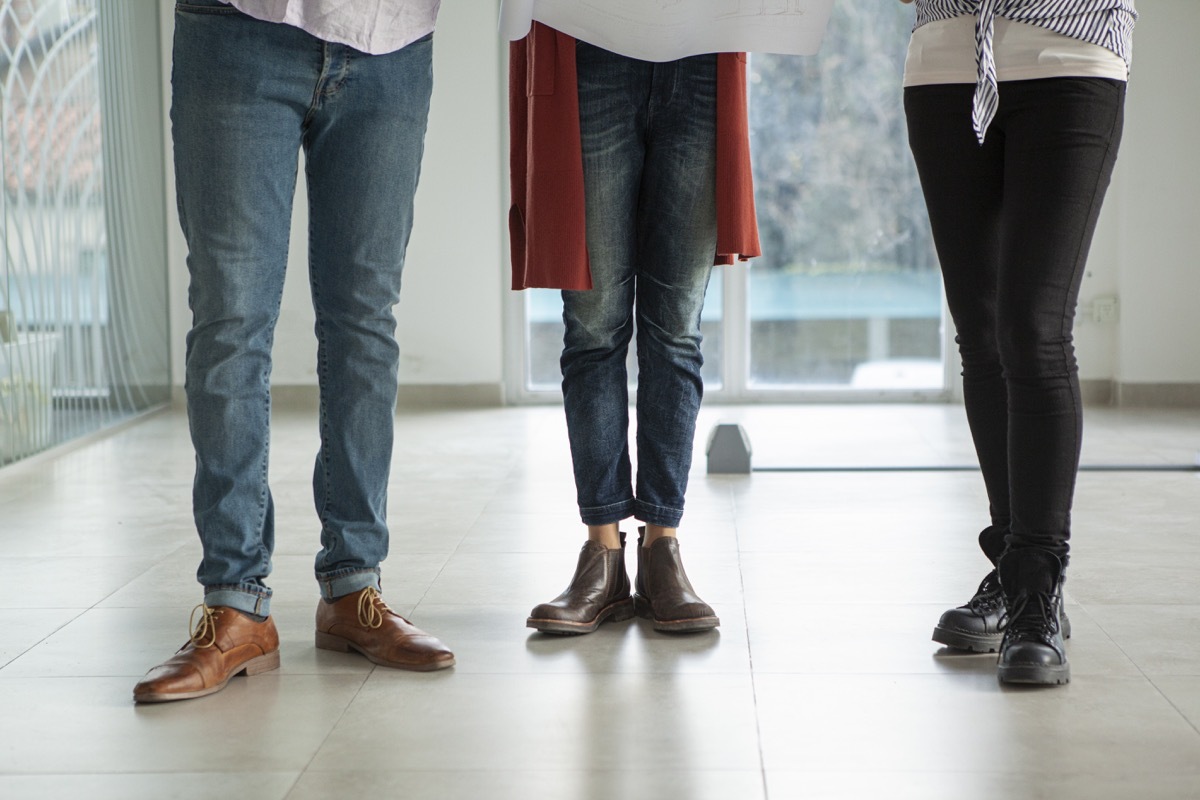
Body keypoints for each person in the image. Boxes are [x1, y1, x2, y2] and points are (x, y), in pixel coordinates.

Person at [134, 0, 454, 704]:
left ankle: (353, 590)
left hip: (391, 40)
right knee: (231, 318)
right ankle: (236, 604)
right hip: (238, 28)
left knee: (365, 321)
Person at [900, 0, 1135, 684]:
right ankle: (1011, 570)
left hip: (1073, 49)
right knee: (981, 332)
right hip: (945, 57)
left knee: (1031, 326)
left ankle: (1038, 594)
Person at [508, 24, 760, 635]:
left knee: (675, 330)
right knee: (594, 326)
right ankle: (604, 554)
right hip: (592, 47)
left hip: (700, 50)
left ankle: (661, 548)